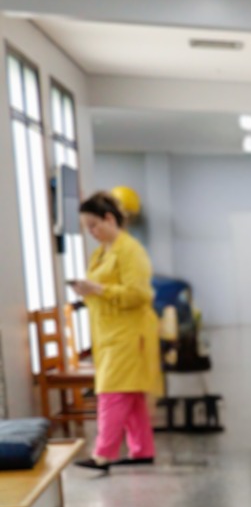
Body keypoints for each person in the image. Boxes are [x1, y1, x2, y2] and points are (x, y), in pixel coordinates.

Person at [71, 191, 162, 473]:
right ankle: (142, 450)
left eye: (94, 226)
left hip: (128, 334)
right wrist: (86, 290)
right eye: (88, 228)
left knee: (111, 394)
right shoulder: (101, 253)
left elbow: (139, 294)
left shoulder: (130, 250)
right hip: (110, 333)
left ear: (109, 218)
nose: (92, 233)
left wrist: (98, 289)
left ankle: (102, 455)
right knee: (131, 395)